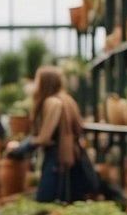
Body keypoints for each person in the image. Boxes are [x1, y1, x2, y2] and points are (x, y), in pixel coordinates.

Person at [7, 65, 99, 202]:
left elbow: (43, 138)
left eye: (37, 80)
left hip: (56, 159)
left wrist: (20, 148)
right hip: (71, 156)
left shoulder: (52, 101)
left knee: (46, 201)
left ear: (44, 82)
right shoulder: (67, 99)